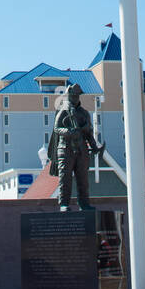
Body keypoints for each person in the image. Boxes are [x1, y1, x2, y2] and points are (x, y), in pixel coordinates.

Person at [47, 82, 103, 213]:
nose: (75, 97)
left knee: (82, 179)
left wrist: (94, 146)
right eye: (73, 95)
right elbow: (56, 128)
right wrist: (69, 132)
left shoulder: (84, 113)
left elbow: (89, 132)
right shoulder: (63, 111)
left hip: (81, 149)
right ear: (69, 95)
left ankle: (84, 203)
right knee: (65, 179)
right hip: (65, 148)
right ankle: (64, 204)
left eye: (77, 95)